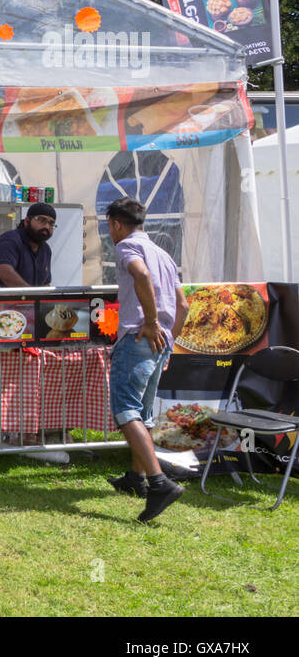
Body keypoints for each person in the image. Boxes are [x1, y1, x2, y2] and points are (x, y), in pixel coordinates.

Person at [105, 197, 190, 522]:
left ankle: (159, 483)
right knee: (143, 412)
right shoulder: (164, 255)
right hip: (160, 341)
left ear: (116, 223)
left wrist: (152, 322)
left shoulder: (128, 247)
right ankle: (135, 478)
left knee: (126, 411)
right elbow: (183, 305)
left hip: (138, 336)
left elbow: (140, 276)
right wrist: (169, 340)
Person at [0, 201, 55, 288]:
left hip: (20, 300)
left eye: (51, 223)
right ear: (27, 221)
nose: (47, 227)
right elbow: (6, 275)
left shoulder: (46, 250)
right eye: (41, 220)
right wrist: (31, 297)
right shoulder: (10, 241)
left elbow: (45, 284)